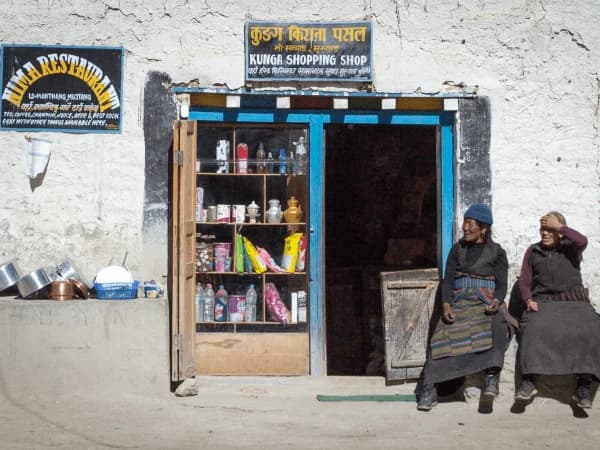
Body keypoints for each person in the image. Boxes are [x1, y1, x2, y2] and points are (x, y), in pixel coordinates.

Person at [417, 204, 511, 411]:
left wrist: (496, 301)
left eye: (470, 224)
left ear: (483, 228)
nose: (465, 228)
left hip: (485, 302)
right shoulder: (457, 249)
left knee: (497, 324)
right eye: (465, 223)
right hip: (460, 302)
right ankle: (429, 387)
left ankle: (492, 376)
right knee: (441, 332)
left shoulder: (497, 252)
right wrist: (446, 305)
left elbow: (502, 283)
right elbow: (448, 280)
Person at [515, 212, 600, 408]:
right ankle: (528, 380)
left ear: (560, 232)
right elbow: (525, 280)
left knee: (591, 327)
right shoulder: (533, 251)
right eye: (542, 229)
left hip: (574, 303)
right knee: (532, 327)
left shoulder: (571, 248)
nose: (545, 233)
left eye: (550, 229)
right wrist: (528, 299)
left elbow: (582, 240)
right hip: (544, 303)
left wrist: (559, 227)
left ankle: (584, 384)